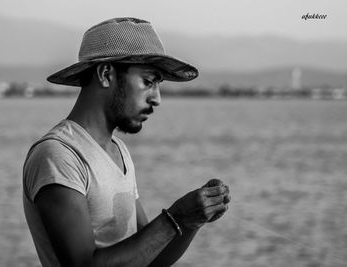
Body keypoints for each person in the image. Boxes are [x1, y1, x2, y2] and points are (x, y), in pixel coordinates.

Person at [23, 17, 230, 267]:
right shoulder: (58, 154)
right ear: (106, 73)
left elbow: (151, 258)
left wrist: (190, 222)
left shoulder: (118, 151)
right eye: (148, 81)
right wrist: (173, 218)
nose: (157, 99)